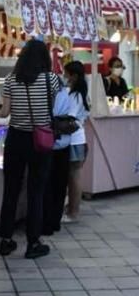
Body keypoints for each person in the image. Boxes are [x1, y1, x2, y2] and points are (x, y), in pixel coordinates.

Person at [0, 39, 62, 259]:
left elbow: (4, 112)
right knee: (36, 192)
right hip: (40, 139)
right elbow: (54, 108)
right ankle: (33, 243)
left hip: (15, 138)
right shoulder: (51, 79)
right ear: (44, 58)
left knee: (11, 190)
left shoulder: (11, 80)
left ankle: (6, 240)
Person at [41, 85, 72, 236]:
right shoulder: (65, 92)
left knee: (46, 185)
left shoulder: (43, 90)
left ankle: (46, 223)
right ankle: (55, 221)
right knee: (60, 184)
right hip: (64, 141)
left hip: (46, 142)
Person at [62, 61, 90, 223]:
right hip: (78, 138)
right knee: (74, 176)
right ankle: (72, 208)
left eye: (66, 73)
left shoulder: (75, 95)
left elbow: (70, 117)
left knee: (74, 178)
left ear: (74, 75)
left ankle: (73, 211)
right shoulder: (80, 92)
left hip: (74, 140)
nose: (64, 76)